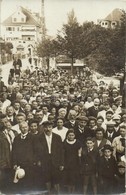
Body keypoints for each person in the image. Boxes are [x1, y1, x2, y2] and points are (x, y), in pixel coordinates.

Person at [34, 121, 64, 194]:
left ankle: (58, 193)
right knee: (47, 179)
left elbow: (61, 151)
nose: (48, 129)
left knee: (56, 179)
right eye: (46, 127)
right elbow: (36, 151)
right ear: (43, 128)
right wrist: (38, 160)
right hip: (45, 161)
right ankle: (49, 193)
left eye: (49, 127)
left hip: (55, 160)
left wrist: (61, 163)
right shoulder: (39, 138)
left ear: (52, 127)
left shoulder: (57, 137)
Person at [12, 121, 35, 193]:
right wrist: (14, 163)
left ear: (28, 128)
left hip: (30, 165)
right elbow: (14, 152)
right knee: (20, 183)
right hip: (20, 164)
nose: (24, 129)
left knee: (29, 183)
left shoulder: (33, 138)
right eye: (22, 127)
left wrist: (34, 161)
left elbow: (37, 151)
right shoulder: (16, 138)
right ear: (19, 128)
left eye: (26, 127)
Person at [63, 129, 82, 194]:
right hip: (67, 163)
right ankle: (69, 192)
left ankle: (73, 192)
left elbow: (80, 153)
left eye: (72, 135)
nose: (71, 137)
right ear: (67, 136)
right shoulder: (64, 143)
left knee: (73, 178)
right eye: (69, 135)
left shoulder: (78, 142)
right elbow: (62, 153)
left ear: (74, 136)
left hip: (75, 163)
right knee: (68, 178)